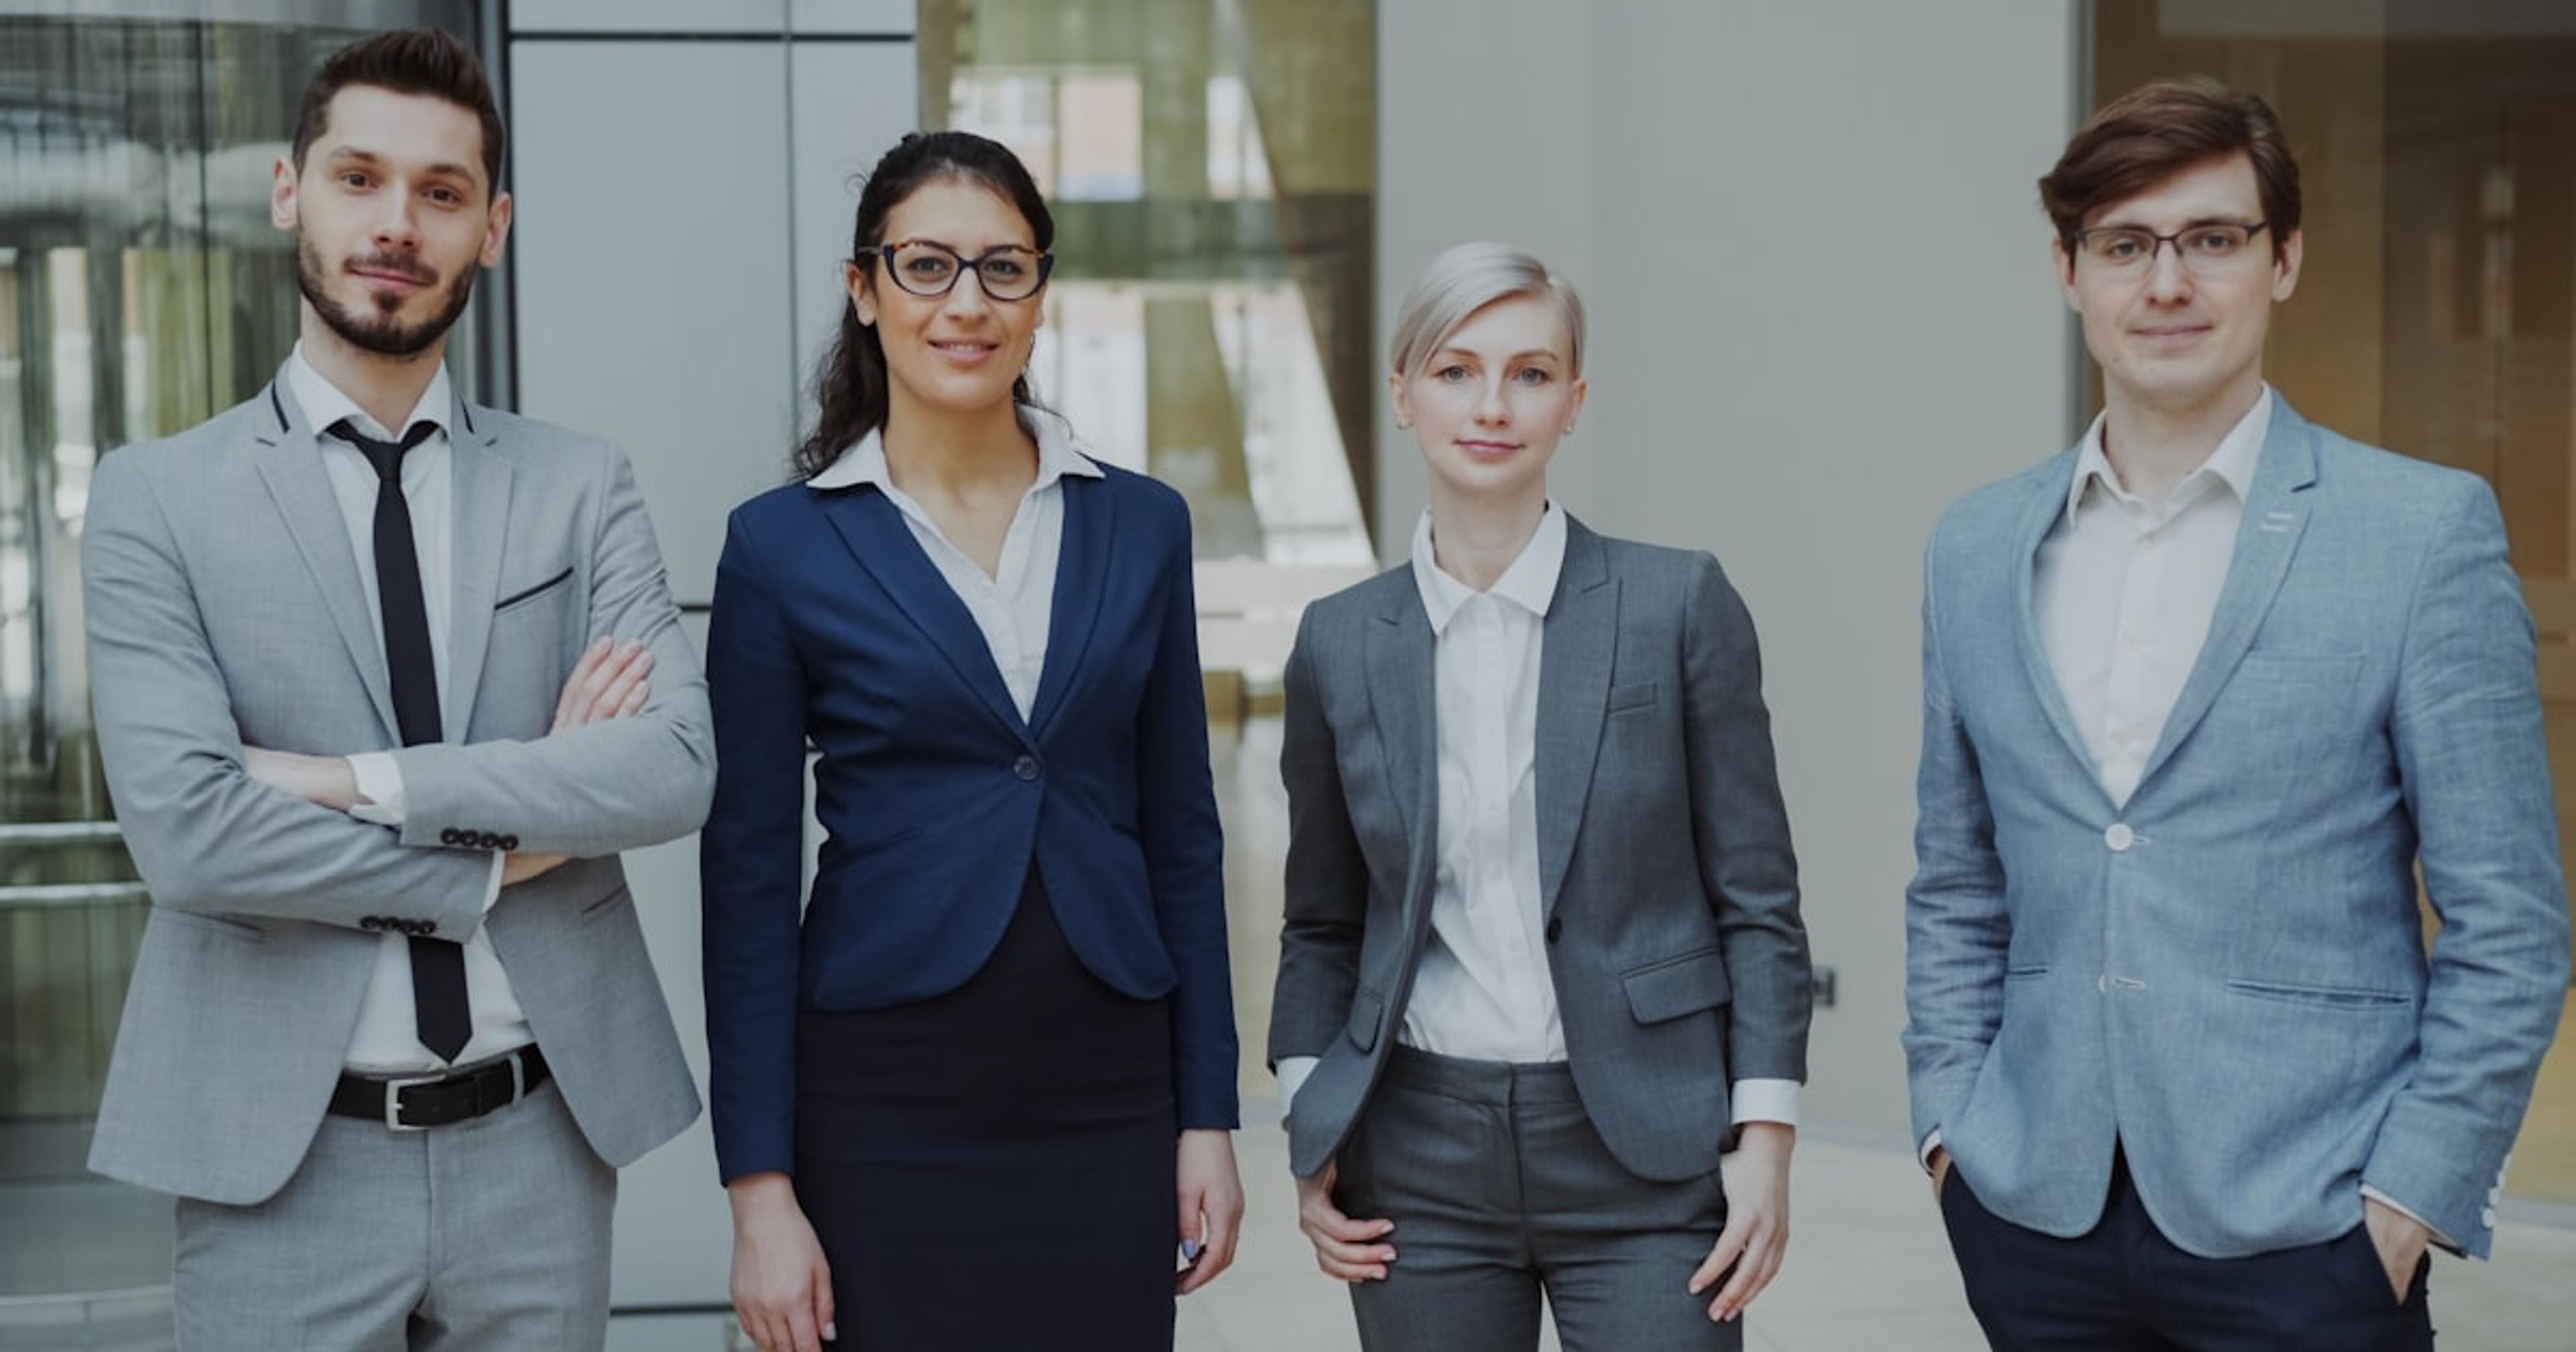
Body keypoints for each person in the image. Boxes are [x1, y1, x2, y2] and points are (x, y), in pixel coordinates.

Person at [1904, 76, 2572, 1350]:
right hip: (2032, 1216)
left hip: (2310, 1233)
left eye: (2212, 239)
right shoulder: (1975, 546)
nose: (2168, 283)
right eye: (2126, 245)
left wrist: (2409, 1198)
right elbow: (1957, 880)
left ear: (2285, 260)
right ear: (2069, 271)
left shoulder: (2418, 534)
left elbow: (2511, 920)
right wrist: (1951, 1129)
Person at [80, 27, 712, 1350]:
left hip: (540, 1143)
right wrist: (502, 854)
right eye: (360, 177)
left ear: (493, 228)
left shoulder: (577, 484)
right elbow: (191, 833)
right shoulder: (159, 497)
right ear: (287, 191)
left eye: (440, 192)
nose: (396, 223)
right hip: (281, 1162)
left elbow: (669, 767)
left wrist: (357, 784)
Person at [702, 129, 1244, 1352]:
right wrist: (760, 1189)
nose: (967, 304)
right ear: (865, 288)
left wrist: (1206, 1114)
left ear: (1042, 292)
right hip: (883, 1102)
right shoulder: (782, 547)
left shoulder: (1142, 525)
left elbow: (1184, 838)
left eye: (1004, 269)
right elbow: (743, 883)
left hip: (1109, 1094)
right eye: (928, 266)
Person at [1267, 242, 1813, 1351]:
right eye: (1456, 369)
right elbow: (1321, 920)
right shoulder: (1337, 642)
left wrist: (1766, 1141)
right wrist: (1308, 1116)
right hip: (1417, 1157)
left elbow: (1758, 902)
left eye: (1528, 373)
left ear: (1573, 401)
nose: (1491, 404)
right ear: (1404, 393)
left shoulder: (1678, 604)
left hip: (1648, 1150)